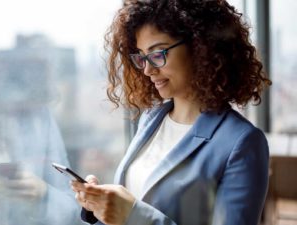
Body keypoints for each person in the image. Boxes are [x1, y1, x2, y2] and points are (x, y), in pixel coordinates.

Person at [71, 0, 272, 225]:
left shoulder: (241, 142)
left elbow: (135, 215)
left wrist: (133, 215)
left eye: (158, 53)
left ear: (200, 47)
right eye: (141, 56)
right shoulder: (151, 118)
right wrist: (100, 206)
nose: (147, 69)